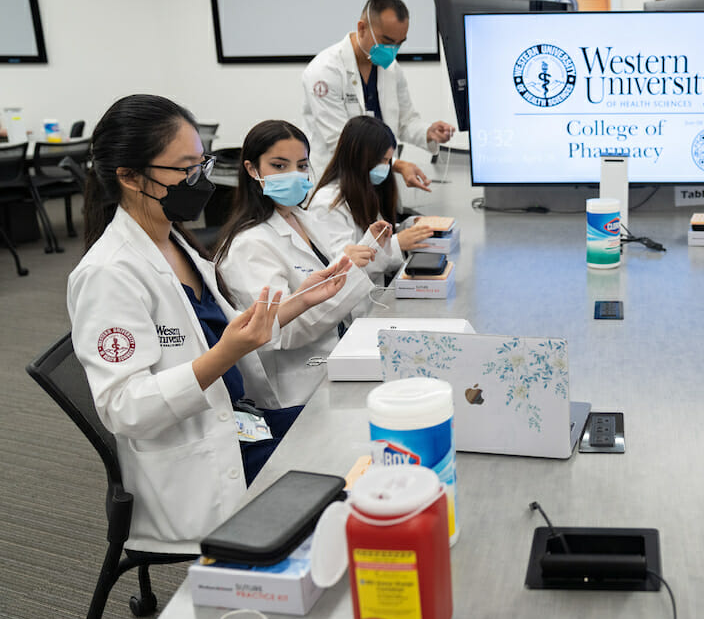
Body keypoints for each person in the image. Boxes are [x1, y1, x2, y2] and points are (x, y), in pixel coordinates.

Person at [68, 95, 352, 553]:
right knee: (345, 480)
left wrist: (301, 300)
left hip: (242, 423)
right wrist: (225, 356)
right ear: (128, 176)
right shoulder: (108, 273)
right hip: (203, 463)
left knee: (349, 430)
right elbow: (123, 407)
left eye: (200, 166)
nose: (198, 182)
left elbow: (228, 329)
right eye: (184, 170)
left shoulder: (175, 240)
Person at [213, 120, 382, 406]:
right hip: (296, 390)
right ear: (252, 169)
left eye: (302, 165)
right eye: (279, 166)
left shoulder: (303, 218)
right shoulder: (249, 245)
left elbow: (329, 286)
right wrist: (348, 275)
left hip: (333, 362)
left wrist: (353, 264)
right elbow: (283, 331)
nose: (294, 174)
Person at [300, 0, 455, 185]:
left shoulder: (390, 68)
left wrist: (428, 132)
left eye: (399, 43)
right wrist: (397, 165)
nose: (392, 50)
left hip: (379, 183)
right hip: (337, 182)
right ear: (362, 28)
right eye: (387, 41)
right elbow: (340, 143)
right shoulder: (324, 72)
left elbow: (405, 121)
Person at [306, 115, 433, 285]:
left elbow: (370, 234)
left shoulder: (363, 189)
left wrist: (408, 227)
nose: (386, 168)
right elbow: (342, 268)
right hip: (353, 307)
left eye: (389, 161)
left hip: (371, 296)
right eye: (382, 160)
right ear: (358, 157)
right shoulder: (327, 204)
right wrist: (397, 243)